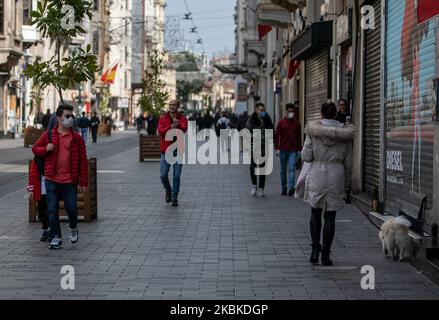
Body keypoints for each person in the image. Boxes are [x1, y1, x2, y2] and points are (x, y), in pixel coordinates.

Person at [302, 102, 354, 266]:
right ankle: (326, 255)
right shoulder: (344, 134)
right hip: (336, 174)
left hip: (318, 172)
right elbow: (349, 162)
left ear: (321, 114)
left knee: (315, 212)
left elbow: (306, 156)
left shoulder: (312, 131)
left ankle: (314, 251)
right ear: (335, 114)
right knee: (330, 215)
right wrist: (346, 184)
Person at [32, 104, 88, 250]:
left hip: (69, 181)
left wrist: (84, 183)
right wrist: (46, 149)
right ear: (58, 118)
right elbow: (35, 149)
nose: (70, 119)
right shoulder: (49, 135)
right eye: (67, 116)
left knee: (72, 209)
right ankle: (56, 237)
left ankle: (73, 226)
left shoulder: (77, 138)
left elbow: (83, 161)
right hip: (51, 179)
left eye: (71, 116)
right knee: (52, 210)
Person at [158, 100, 188, 207]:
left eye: (174, 105)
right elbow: (160, 131)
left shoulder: (182, 118)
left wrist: (178, 124)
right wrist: (170, 127)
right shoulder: (163, 118)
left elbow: (184, 129)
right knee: (163, 175)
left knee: (176, 175)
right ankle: (168, 190)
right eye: (170, 105)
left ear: (178, 106)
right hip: (165, 150)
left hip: (177, 150)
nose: (171, 106)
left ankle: (174, 197)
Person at [246, 102, 274, 197]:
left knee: (262, 168)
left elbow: (271, 129)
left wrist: (266, 118)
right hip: (254, 146)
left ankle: (261, 188)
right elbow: (247, 130)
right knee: (253, 166)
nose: (261, 112)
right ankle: (254, 186)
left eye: (263, 110)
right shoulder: (252, 119)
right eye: (260, 110)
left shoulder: (267, 118)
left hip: (264, 146)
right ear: (256, 110)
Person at [275, 103, 302, 196]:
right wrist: (277, 148)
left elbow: (299, 136)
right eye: (289, 111)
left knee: (291, 169)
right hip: (283, 149)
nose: (291, 113)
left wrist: (299, 149)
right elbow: (277, 136)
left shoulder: (297, 123)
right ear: (286, 111)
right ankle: (284, 188)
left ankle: (291, 188)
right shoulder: (281, 123)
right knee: (283, 170)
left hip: (293, 150)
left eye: (293, 112)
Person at [27, 158, 49, 242]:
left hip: (52, 187)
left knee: (52, 209)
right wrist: (31, 189)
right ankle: (45, 229)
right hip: (41, 188)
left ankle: (52, 229)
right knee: (42, 210)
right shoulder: (37, 159)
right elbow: (32, 174)